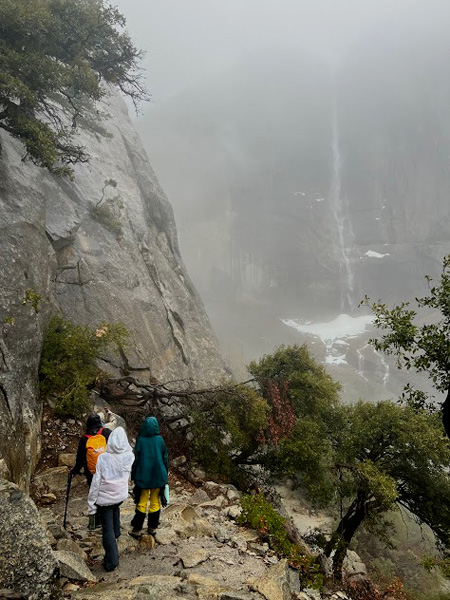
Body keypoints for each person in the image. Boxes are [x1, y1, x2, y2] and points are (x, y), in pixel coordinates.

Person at [87, 426, 134, 572]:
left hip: (106, 497)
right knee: (115, 507)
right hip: (120, 494)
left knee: (107, 528)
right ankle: (117, 532)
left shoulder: (103, 458)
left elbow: (95, 483)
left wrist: (91, 504)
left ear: (111, 441)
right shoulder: (129, 457)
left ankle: (111, 562)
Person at [130, 416, 168, 537]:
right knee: (155, 501)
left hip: (143, 476)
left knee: (142, 501)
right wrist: (165, 472)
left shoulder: (140, 440)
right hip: (158, 475)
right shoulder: (160, 440)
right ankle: (152, 527)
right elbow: (165, 458)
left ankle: (137, 529)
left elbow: (136, 459)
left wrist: (133, 474)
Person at [71, 414, 112, 487]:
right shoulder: (107, 432)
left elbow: (80, 457)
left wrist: (76, 470)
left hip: (91, 471)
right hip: (107, 467)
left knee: (93, 487)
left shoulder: (84, 438)